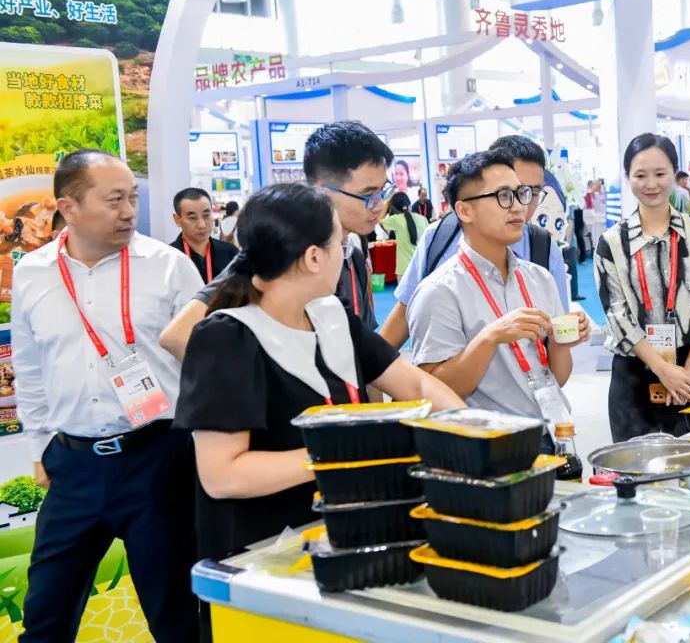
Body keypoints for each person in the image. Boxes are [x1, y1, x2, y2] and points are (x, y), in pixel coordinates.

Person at [173, 184, 463, 637]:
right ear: (312, 257)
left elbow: (414, 383)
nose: (344, 253)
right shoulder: (225, 338)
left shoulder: (331, 315)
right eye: (339, 243)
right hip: (263, 562)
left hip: (341, 538)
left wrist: (469, 426)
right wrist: (344, 451)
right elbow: (222, 474)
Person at [12, 149, 202, 642]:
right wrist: (40, 448)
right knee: (45, 615)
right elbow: (29, 368)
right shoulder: (33, 272)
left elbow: (205, 365)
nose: (128, 212)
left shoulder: (169, 267)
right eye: (114, 200)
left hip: (157, 460)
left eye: (132, 198)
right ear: (68, 207)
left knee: (177, 617)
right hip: (73, 466)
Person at [160, 121, 394, 360]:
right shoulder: (274, 255)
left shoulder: (353, 258)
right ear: (322, 191)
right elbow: (178, 336)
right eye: (368, 195)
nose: (379, 205)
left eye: (383, 192)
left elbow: (363, 352)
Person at [407, 150, 589, 428]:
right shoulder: (438, 291)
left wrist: (561, 342)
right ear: (465, 211)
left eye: (521, 194)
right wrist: (490, 338)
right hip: (488, 443)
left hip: (551, 434)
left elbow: (557, 378)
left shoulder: (539, 279)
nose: (518, 207)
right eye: (503, 196)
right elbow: (435, 394)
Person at [380, 135, 570, 349]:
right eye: (506, 193)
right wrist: (372, 367)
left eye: (532, 192)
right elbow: (405, 312)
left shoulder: (544, 250)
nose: (521, 205)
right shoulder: (439, 237)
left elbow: (557, 333)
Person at [595, 134, 690, 442]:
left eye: (660, 173)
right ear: (628, 177)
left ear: (674, 173)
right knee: (636, 466)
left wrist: (689, 370)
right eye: (640, 175)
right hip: (634, 374)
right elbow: (617, 316)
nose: (651, 184)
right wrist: (662, 369)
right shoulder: (612, 243)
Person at [170, 187, 239, 284]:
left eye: (206, 215)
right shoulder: (169, 257)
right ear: (177, 220)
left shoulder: (230, 252)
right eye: (192, 218)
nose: (202, 225)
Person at [381, 191, 429, 278]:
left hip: (404, 270)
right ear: (409, 204)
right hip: (422, 268)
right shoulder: (423, 219)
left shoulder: (396, 220)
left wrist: (387, 204)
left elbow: (379, 219)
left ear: (394, 207)